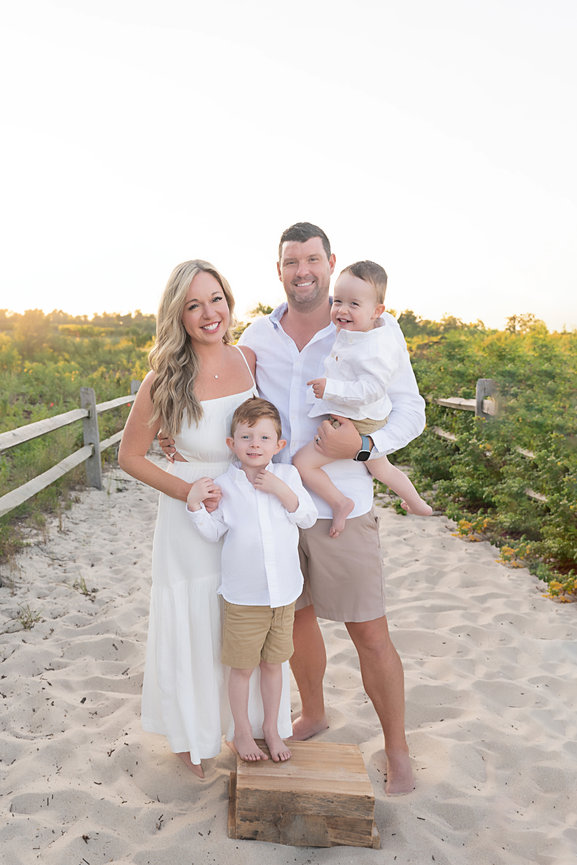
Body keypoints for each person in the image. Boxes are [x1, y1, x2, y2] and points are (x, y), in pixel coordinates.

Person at [160, 223, 426, 794]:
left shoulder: (372, 329)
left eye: (312, 260)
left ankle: (398, 748)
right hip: (269, 512)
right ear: (278, 269)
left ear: (330, 262)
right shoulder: (258, 333)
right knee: (294, 620)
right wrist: (171, 430)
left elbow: (411, 408)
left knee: (368, 629)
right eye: (290, 262)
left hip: (342, 504)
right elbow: (212, 382)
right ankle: (314, 712)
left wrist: (365, 447)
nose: (302, 271)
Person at [118, 259, 292, 779]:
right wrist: (187, 488)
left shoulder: (249, 359)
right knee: (196, 618)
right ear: (178, 314)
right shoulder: (164, 378)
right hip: (190, 519)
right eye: (193, 304)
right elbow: (132, 456)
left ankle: (251, 726)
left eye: (215, 299)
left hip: (247, 511)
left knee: (244, 616)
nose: (208, 313)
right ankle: (193, 735)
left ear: (229, 301)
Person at [186, 397, 317, 763]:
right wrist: (195, 505)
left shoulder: (287, 476)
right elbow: (214, 533)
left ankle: (272, 730)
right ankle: (242, 732)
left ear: (279, 445)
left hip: (284, 594)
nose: (255, 445)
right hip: (244, 597)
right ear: (232, 444)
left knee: (274, 665)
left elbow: (306, 518)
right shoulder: (226, 486)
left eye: (263, 438)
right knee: (242, 668)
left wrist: (280, 490)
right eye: (246, 437)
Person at [293, 259, 432, 538]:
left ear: (376, 311)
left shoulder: (376, 347)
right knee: (382, 468)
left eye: (354, 304)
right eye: (339, 301)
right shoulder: (357, 332)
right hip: (363, 418)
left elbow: (372, 389)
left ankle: (339, 502)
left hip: (359, 421)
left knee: (303, 464)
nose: (343, 310)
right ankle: (417, 503)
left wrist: (331, 389)